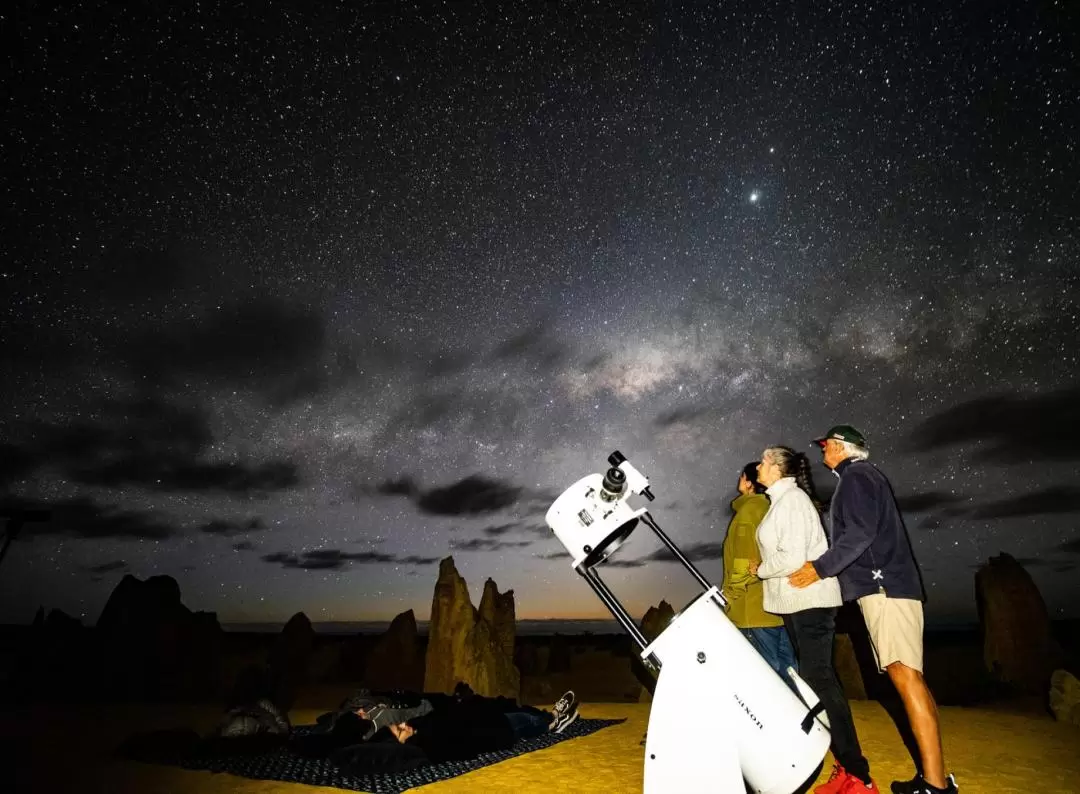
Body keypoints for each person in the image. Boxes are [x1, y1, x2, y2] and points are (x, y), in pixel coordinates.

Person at [789, 426, 957, 794]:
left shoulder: (857, 477)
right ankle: (935, 779)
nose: (822, 453)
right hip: (892, 586)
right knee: (911, 676)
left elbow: (860, 533)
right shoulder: (861, 477)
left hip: (886, 588)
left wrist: (819, 568)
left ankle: (935, 786)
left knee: (904, 675)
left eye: (826, 447)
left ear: (838, 447)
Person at [750, 445, 877, 794]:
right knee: (816, 681)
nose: (758, 466)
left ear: (776, 469)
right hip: (798, 603)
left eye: (763, 461)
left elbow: (790, 557)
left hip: (810, 604)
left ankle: (859, 775)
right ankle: (846, 767)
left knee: (820, 680)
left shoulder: (791, 501)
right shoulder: (782, 501)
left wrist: (760, 570)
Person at [722, 461, 798, 681]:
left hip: (751, 610)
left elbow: (744, 561)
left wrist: (729, 596)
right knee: (790, 671)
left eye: (741, 477)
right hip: (777, 608)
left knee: (766, 676)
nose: (739, 481)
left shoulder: (748, 512)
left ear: (748, 483)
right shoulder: (771, 508)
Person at [381, 688, 580, 763]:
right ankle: (553, 720)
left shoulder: (422, 728)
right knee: (528, 722)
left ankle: (554, 719)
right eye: (400, 730)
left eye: (400, 724)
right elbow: (461, 749)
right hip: (497, 733)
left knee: (523, 719)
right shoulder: (425, 744)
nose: (403, 725)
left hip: (491, 723)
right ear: (399, 741)